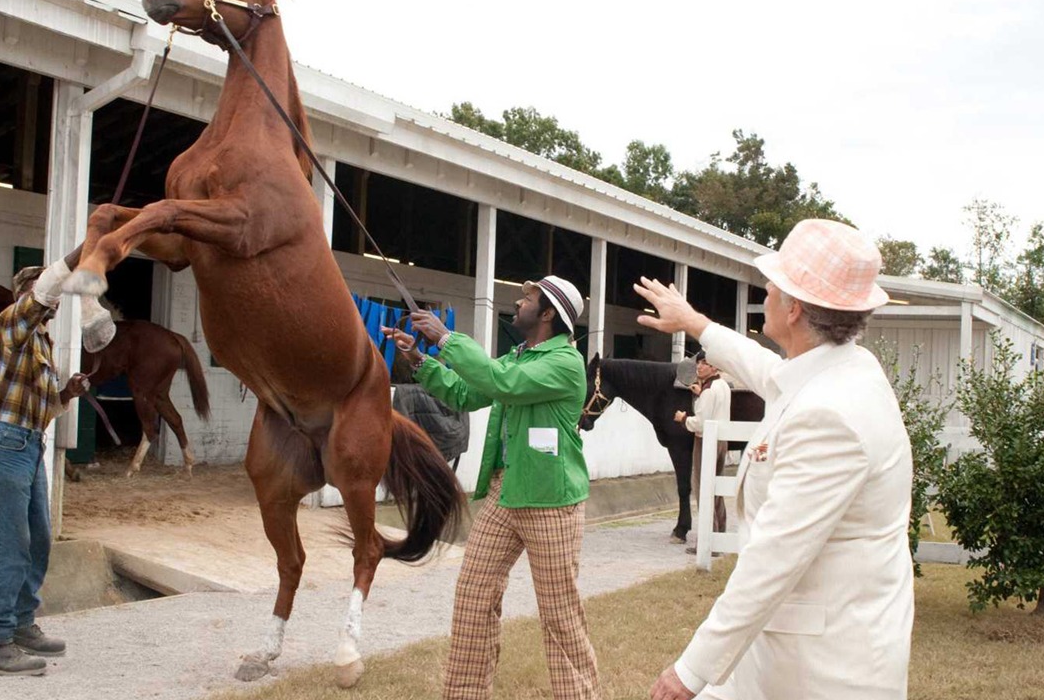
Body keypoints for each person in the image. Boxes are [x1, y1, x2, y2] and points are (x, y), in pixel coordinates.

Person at [640, 218, 914, 700]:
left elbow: (773, 559)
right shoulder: (842, 370)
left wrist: (690, 671)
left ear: (796, 309)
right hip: (789, 653)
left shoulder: (831, 415)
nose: (766, 288)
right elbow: (769, 371)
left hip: (824, 672)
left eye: (775, 283)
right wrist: (696, 323)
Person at [381, 275, 598, 700]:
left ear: (549, 314)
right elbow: (466, 393)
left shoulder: (565, 363)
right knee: (473, 596)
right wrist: (419, 361)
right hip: (505, 491)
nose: (518, 302)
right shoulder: (520, 356)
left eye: (527, 298)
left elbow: (501, 383)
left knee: (559, 615)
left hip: (551, 502)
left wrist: (446, 338)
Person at [0, 256, 113, 676]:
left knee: (37, 542)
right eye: (46, 296)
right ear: (25, 296)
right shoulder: (9, 324)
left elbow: (43, 408)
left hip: (29, 443)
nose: (53, 305)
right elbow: (39, 298)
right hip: (7, 445)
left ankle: (19, 625)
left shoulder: (40, 343)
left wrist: (67, 393)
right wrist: (80, 254)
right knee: (9, 545)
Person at [674, 350, 732, 550]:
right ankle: (719, 534)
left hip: (706, 441)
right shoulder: (722, 386)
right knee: (716, 489)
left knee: (703, 489)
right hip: (722, 440)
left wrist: (683, 419)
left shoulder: (708, 391)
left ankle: (707, 544)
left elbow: (700, 423)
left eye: (705, 363)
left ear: (714, 367)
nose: (699, 366)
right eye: (698, 363)